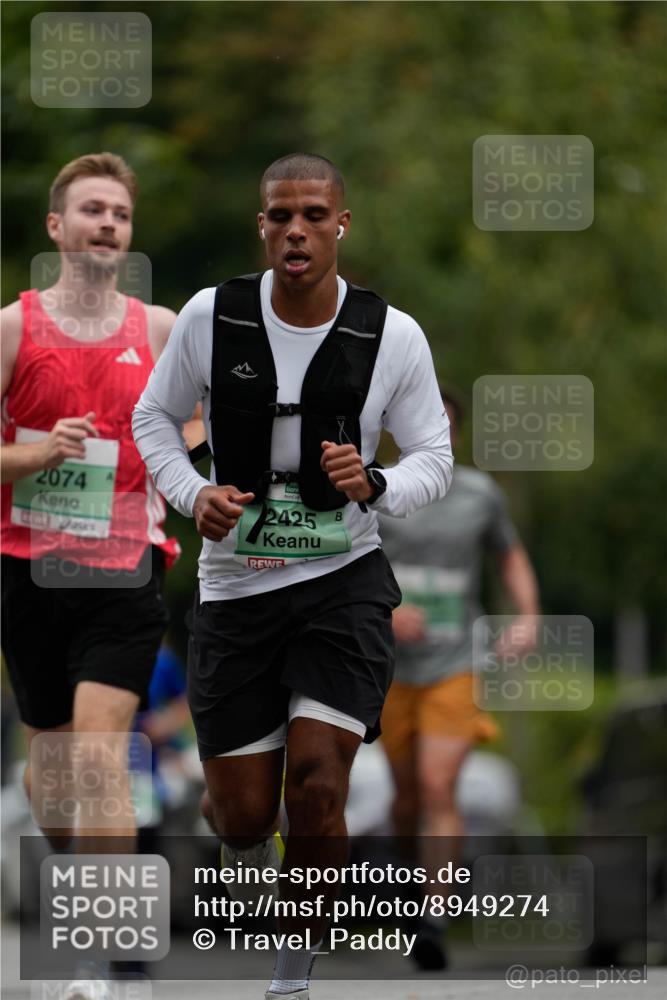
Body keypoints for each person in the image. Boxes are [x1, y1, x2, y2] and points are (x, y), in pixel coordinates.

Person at [132, 152, 453, 1000]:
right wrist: (190, 491)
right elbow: (153, 418)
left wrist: (376, 483)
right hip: (236, 589)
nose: (297, 230)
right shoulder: (213, 316)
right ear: (262, 226)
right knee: (244, 816)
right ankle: (225, 811)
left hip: (342, 581)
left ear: (341, 224)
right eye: (281, 216)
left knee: (317, 783)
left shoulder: (393, 335)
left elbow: (434, 459)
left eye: (314, 214)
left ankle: (292, 978)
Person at [0, 152, 183, 1000]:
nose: (107, 224)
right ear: (57, 227)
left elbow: (204, 415)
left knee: (105, 758)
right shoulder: (12, 328)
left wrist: (169, 456)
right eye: (92, 211)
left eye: (119, 213)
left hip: (124, 569)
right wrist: (36, 454)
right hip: (28, 570)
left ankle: (105, 958)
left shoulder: (159, 329)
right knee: (53, 778)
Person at [379, 385, 540, 970]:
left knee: (440, 785)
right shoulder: (377, 489)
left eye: (445, 425)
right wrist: (386, 610)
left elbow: (510, 556)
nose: (435, 434)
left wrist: (528, 617)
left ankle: (433, 914)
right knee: (407, 797)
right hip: (389, 666)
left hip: (456, 662)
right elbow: (344, 559)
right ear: (400, 428)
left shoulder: (479, 493)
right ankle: (404, 883)